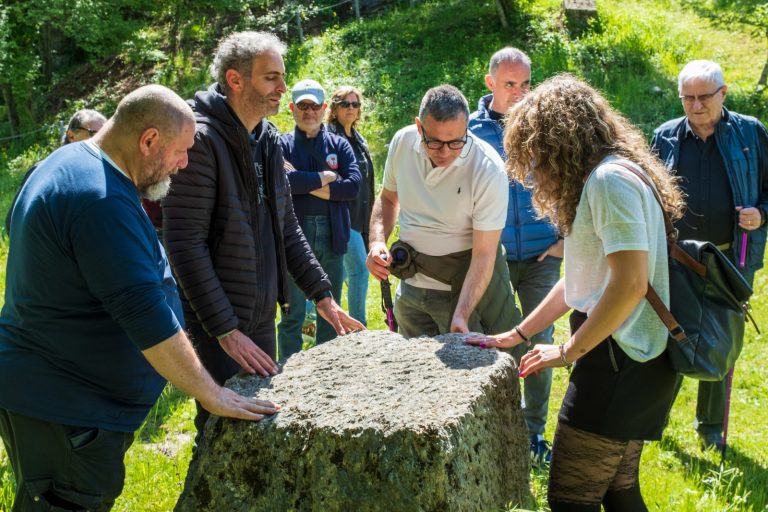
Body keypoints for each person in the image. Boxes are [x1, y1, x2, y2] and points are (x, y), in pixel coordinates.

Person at [0, 84, 279, 512]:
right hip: (68, 412)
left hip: (52, 399)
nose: (184, 164)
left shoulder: (65, 164)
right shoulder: (99, 199)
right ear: (149, 140)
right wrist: (212, 394)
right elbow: (144, 315)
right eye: (181, 151)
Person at [467, 74, 685, 511]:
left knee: (569, 500)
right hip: (635, 357)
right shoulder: (615, 173)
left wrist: (567, 351)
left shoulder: (609, 182)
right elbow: (583, 279)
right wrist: (519, 334)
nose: (531, 164)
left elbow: (628, 283)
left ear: (558, 140)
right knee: (619, 492)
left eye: (534, 149)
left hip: (618, 359)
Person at [162, 32, 363, 434]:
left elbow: (286, 226)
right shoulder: (199, 141)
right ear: (236, 80)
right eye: (271, 78)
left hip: (257, 318)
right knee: (221, 431)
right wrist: (224, 330)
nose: (283, 88)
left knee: (257, 427)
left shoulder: (268, 140)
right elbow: (184, 244)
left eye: (281, 77)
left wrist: (322, 296)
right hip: (216, 324)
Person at [651, 59, 768, 451]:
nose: (696, 105)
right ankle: (655, 417)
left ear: (723, 94)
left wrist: (761, 213)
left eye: (704, 97)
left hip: (729, 258)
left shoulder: (750, 133)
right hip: (676, 260)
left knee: (720, 339)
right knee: (670, 333)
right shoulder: (665, 137)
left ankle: (710, 429)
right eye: (688, 98)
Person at [468, 47, 561, 463]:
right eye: (510, 84)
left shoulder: (548, 127)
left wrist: (567, 238)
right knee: (498, 342)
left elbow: (570, 178)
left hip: (545, 253)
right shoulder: (468, 131)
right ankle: (495, 431)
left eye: (526, 84)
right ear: (490, 83)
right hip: (494, 257)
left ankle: (533, 434)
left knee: (540, 341)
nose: (521, 93)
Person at [366, 84, 517, 336]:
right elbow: (388, 199)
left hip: (461, 291)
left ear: (467, 127)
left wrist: (461, 314)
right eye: (434, 142)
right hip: (411, 286)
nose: (445, 152)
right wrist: (377, 241)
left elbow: (484, 255)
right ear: (418, 127)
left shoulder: (487, 168)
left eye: (456, 142)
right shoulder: (402, 143)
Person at [276, 79, 361, 360]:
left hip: (332, 235)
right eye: (303, 106)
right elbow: (282, 183)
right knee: (294, 315)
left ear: (324, 108)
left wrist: (303, 181)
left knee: (330, 310)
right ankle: (289, 372)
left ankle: (328, 368)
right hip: (294, 239)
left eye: (314, 106)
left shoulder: (340, 145)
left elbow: (353, 187)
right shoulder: (281, 145)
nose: (309, 111)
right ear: (292, 109)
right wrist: (325, 177)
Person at [5, 108, 107, 235]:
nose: (102, 139)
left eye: (105, 133)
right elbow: (13, 223)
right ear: (71, 136)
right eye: (93, 133)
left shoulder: (103, 174)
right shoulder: (42, 171)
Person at [326, 85, 375, 327]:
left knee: (340, 274)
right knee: (359, 271)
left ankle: (311, 315)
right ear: (334, 109)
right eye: (346, 104)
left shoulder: (358, 139)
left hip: (360, 216)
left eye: (355, 104)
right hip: (340, 217)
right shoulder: (329, 139)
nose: (351, 109)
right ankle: (359, 328)